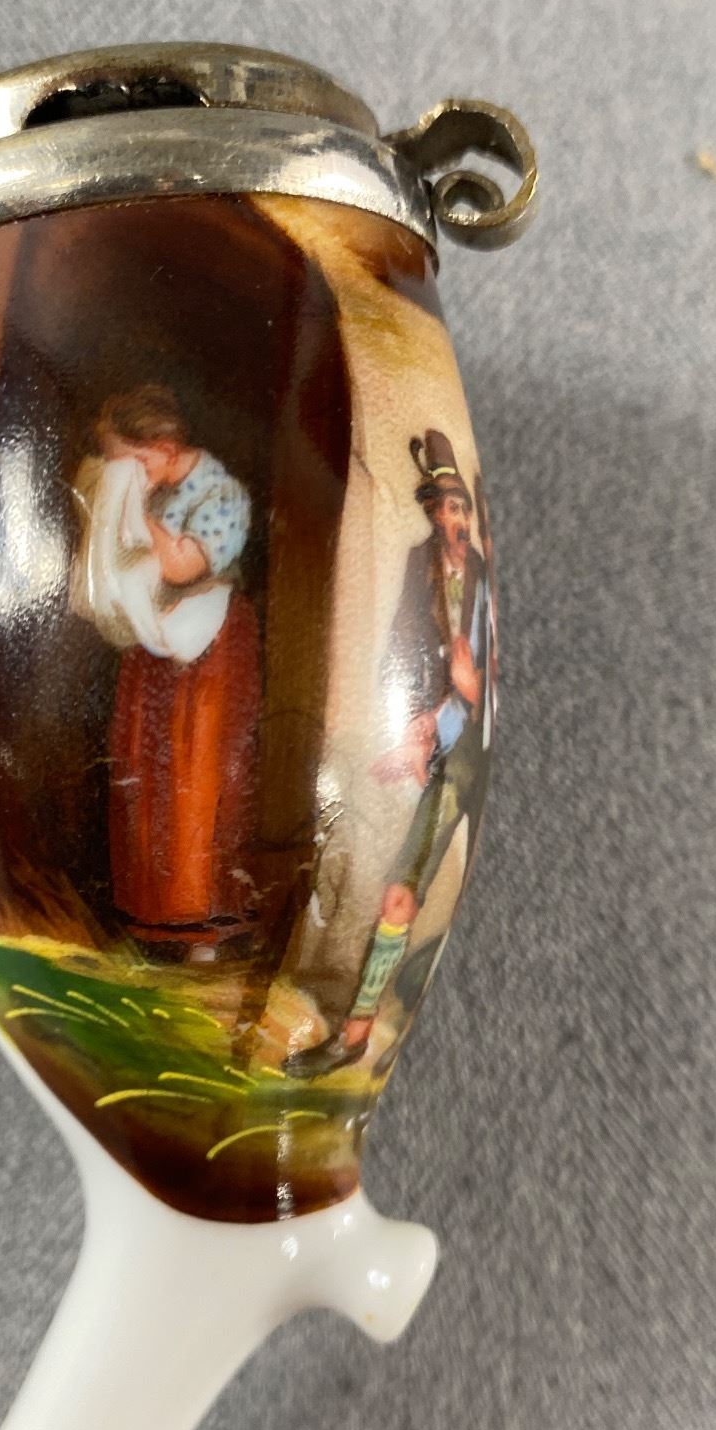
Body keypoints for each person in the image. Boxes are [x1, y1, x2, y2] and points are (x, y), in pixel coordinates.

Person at [287, 429, 492, 1074]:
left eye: (463, 508)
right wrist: (416, 726)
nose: (457, 520)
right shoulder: (419, 565)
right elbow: (405, 651)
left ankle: (383, 1020)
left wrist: (467, 691)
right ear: (432, 512)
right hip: (446, 751)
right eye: (448, 508)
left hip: (475, 750)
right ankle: (356, 1030)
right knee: (397, 895)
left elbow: (483, 681)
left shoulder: (482, 574)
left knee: (435, 894)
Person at [86, 385, 260, 961]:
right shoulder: (151, 488)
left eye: (133, 462)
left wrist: (131, 513)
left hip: (208, 652)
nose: (126, 475)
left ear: (163, 449)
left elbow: (184, 566)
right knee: (144, 772)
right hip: (154, 650)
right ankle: (152, 921)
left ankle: (201, 932)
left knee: (195, 776)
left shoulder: (223, 494)